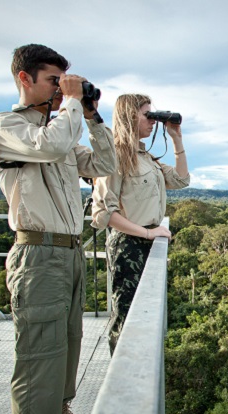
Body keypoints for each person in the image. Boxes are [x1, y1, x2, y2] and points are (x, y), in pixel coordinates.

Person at [0, 44, 117, 414]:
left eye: (64, 82)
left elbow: (104, 164)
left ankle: (58, 411)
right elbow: (51, 146)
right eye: (53, 81)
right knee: (39, 353)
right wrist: (72, 104)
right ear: (24, 78)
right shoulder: (6, 126)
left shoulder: (61, 128)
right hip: (38, 253)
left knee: (68, 343)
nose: (61, 90)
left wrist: (92, 117)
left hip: (70, 252)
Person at [91, 94, 190, 355]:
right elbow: (103, 213)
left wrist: (176, 139)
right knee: (126, 316)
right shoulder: (114, 156)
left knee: (144, 316)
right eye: (148, 115)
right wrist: (147, 232)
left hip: (147, 243)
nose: (153, 122)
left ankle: (139, 376)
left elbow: (181, 180)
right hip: (129, 245)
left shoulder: (145, 157)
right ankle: (121, 379)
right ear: (128, 116)